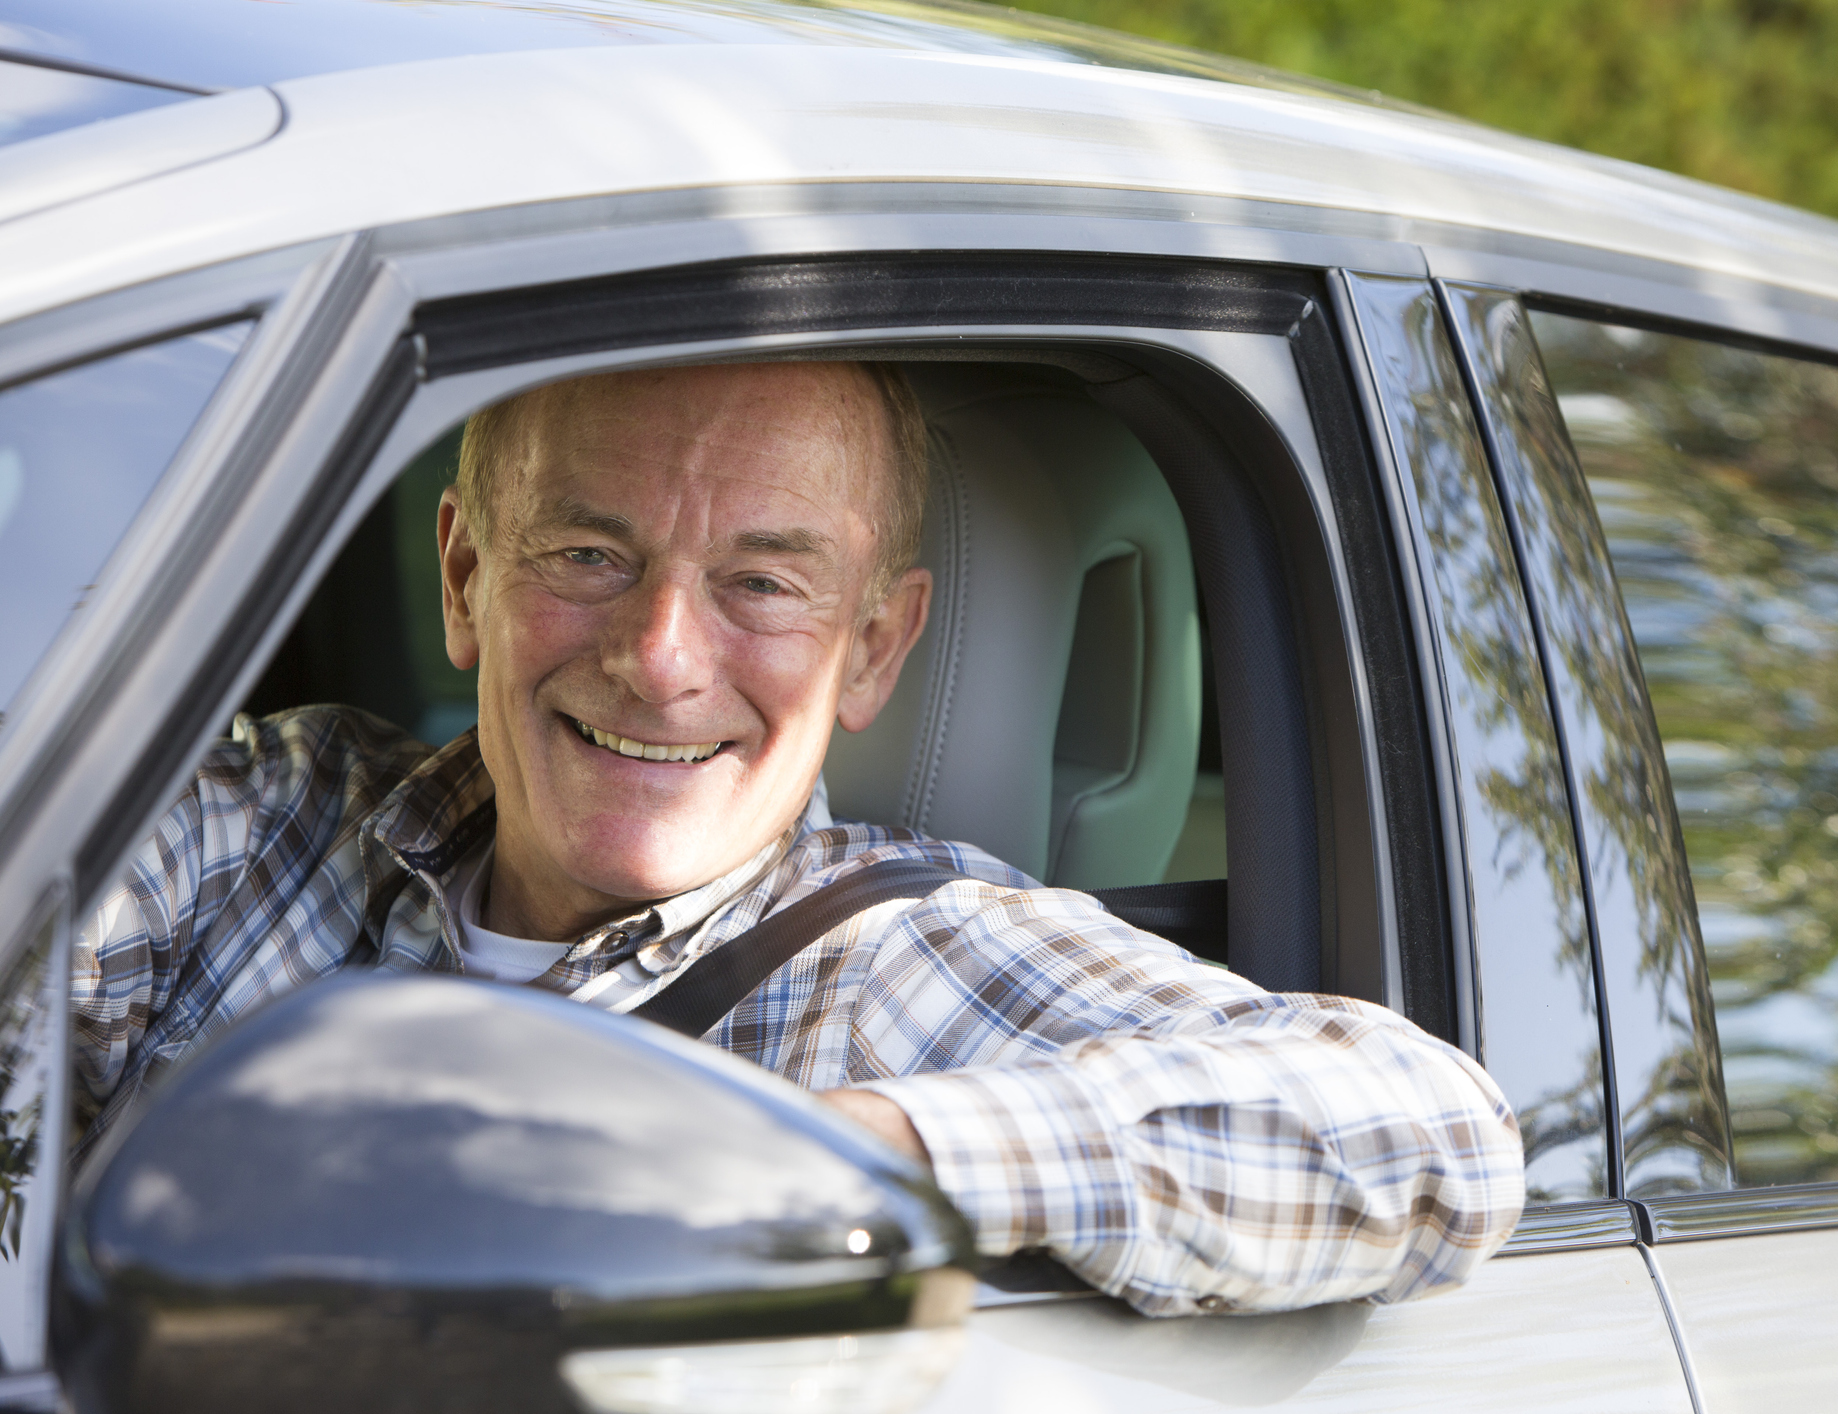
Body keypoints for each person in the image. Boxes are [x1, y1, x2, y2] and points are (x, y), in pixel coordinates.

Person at [72, 360, 1524, 1317]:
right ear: (465, 575)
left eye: (761, 584)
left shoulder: (906, 962)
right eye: (588, 555)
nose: (657, 657)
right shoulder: (266, 819)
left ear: (876, 644)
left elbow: (1431, 1133)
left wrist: (834, 1159)